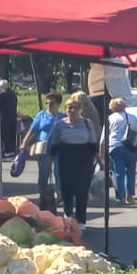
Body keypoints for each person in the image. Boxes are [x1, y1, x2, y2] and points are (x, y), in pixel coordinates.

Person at [46, 92, 102, 224]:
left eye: (75, 107)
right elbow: (54, 145)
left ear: (81, 110)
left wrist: (100, 162)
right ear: (65, 110)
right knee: (67, 190)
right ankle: (68, 215)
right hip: (66, 160)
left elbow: (94, 144)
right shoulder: (59, 125)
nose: (72, 110)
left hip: (84, 160)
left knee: (82, 190)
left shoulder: (87, 124)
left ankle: (81, 221)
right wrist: (49, 163)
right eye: (69, 107)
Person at [19, 90, 64, 209]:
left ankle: (60, 195)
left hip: (59, 147)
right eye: (47, 103)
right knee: (44, 171)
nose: (49, 105)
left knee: (59, 172)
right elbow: (33, 130)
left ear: (58, 104)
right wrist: (25, 142)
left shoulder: (63, 117)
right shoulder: (41, 115)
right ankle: (43, 194)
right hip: (43, 147)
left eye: (52, 103)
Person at [105, 97, 137, 201]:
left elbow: (104, 137)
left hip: (115, 146)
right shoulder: (132, 117)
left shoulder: (110, 118)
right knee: (131, 171)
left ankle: (120, 196)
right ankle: (129, 195)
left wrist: (102, 152)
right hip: (130, 146)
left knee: (118, 172)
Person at [0, 78, 20, 161]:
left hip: (4, 118)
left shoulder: (0, 96)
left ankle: (7, 152)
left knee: (5, 136)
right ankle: (12, 151)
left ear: (1, 87)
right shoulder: (13, 95)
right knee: (12, 134)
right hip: (13, 117)